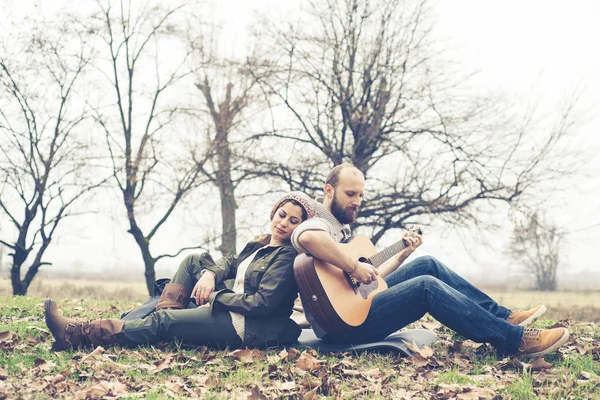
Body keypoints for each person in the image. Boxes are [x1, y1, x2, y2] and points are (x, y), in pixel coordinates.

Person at [291, 163, 569, 358]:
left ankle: (503, 316)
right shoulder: (318, 222)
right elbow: (308, 239)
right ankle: (514, 340)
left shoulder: (341, 229)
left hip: (353, 308)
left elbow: (368, 280)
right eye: (350, 194)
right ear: (328, 191)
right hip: (342, 328)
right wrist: (353, 265)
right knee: (425, 286)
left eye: (361, 195)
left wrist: (401, 254)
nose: (357, 201)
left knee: (427, 264)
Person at [44, 191, 316, 351]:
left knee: (164, 320)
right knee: (193, 260)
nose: (283, 224)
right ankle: (148, 327)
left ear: (300, 228)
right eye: (282, 215)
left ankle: (77, 335)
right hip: (230, 309)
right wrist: (210, 274)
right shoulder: (261, 244)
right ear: (274, 213)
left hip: (245, 326)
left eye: (294, 221)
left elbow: (263, 304)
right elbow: (230, 262)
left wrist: (214, 297)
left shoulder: (287, 255)